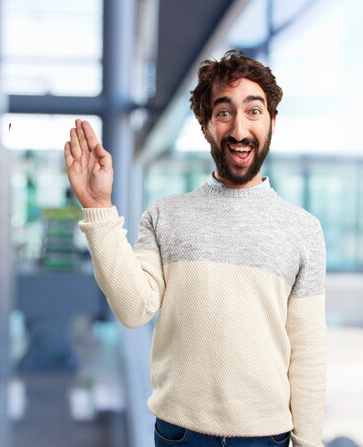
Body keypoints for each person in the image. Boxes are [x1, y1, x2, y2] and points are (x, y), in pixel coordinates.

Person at [63, 49, 327, 447]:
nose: (239, 128)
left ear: (272, 122)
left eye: (253, 111)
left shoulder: (303, 230)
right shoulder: (164, 216)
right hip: (179, 435)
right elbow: (134, 309)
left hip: (265, 439)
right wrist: (98, 207)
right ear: (206, 126)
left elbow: (307, 354)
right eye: (224, 113)